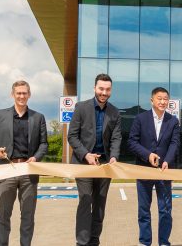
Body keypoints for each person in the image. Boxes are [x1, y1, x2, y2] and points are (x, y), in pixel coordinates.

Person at [0, 80, 49, 246]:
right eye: (18, 93)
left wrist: (36, 158)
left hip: (28, 171)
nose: (21, 96)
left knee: (28, 215)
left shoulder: (38, 117)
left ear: (29, 95)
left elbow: (44, 144)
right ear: (12, 94)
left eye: (24, 93)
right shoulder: (0, 115)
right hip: (6, 170)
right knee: (3, 214)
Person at [67, 73, 122, 246]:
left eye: (107, 89)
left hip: (105, 165)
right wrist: (86, 154)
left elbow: (116, 138)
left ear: (111, 90)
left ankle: (94, 241)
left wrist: (114, 157)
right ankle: (82, 242)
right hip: (83, 163)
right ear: (94, 88)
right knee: (85, 201)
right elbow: (72, 136)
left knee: (100, 204)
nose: (104, 93)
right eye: (101, 89)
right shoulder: (81, 108)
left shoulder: (115, 112)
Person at [128, 87, 181, 246]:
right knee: (144, 210)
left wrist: (167, 160)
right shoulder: (140, 119)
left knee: (165, 210)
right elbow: (132, 142)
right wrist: (148, 155)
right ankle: (145, 242)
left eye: (165, 99)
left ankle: (164, 242)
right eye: (159, 98)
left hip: (164, 171)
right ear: (152, 100)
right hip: (144, 169)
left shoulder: (173, 121)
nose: (163, 101)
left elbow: (175, 143)